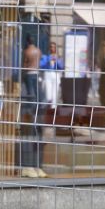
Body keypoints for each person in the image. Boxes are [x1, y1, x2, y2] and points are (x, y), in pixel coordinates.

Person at [18, 36, 46, 178]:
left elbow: (25, 64)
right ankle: (34, 105)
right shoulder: (38, 51)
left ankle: (31, 105)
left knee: (30, 93)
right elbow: (39, 63)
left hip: (29, 73)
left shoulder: (27, 51)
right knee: (36, 93)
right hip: (37, 73)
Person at [39, 40, 64, 109]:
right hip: (48, 74)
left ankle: (53, 108)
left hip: (56, 74)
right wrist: (47, 60)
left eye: (53, 47)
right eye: (51, 47)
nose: (52, 48)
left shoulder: (59, 57)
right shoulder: (46, 57)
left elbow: (61, 67)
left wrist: (57, 61)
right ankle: (47, 102)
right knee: (48, 94)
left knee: (55, 92)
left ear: (56, 48)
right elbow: (41, 65)